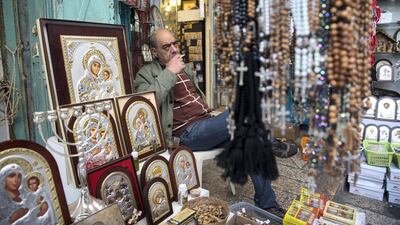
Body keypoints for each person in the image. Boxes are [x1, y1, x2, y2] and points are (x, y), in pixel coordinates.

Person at [135, 29, 298, 217]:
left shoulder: (185, 68)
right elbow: (145, 105)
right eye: (166, 46)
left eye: (174, 43)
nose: (173, 49)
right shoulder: (145, 74)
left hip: (208, 124)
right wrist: (170, 71)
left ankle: (267, 204)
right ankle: (274, 143)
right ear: (154, 52)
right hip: (188, 134)